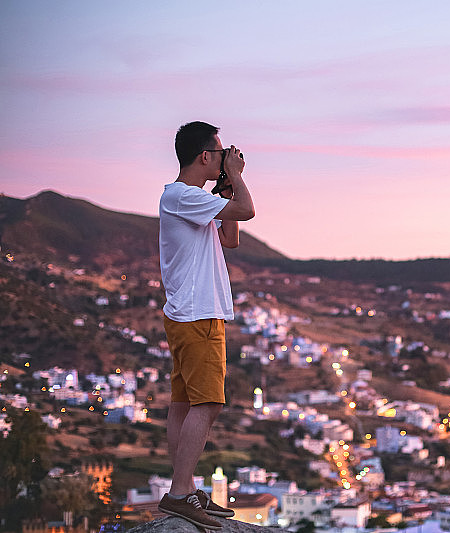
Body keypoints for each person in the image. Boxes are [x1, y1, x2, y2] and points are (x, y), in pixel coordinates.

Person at [156, 121, 255, 529]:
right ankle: (180, 494)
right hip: (198, 316)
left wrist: (225, 188)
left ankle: (185, 487)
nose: (224, 156)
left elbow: (231, 238)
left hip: (187, 313)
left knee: (183, 403)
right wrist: (235, 176)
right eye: (219, 152)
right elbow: (248, 212)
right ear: (204, 156)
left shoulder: (188, 200)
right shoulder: (182, 195)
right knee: (208, 404)